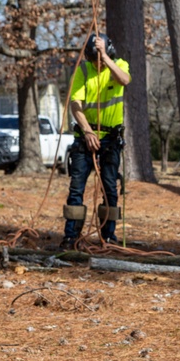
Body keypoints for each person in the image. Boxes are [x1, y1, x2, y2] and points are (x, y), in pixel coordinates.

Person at [61, 32, 131, 249]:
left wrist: (106, 58)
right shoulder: (83, 69)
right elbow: (75, 104)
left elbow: (124, 80)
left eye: (99, 61)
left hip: (111, 139)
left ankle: (108, 236)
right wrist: (88, 132)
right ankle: (72, 236)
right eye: (94, 61)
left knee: (110, 187)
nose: (97, 66)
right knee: (76, 188)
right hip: (85, 138)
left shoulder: (119, 65)